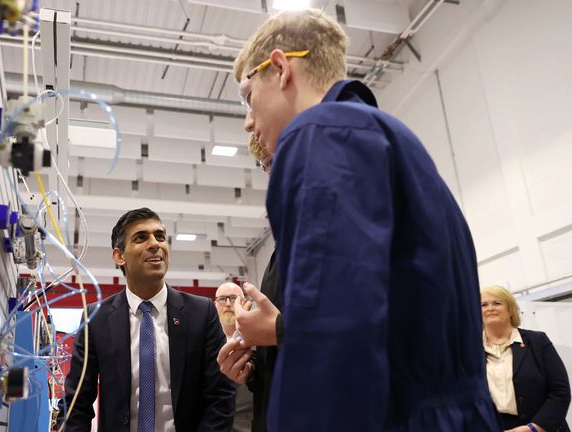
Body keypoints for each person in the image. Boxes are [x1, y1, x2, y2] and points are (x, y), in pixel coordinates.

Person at [229, 8, 501, 431]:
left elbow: (334, 335)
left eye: (248, 97)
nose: (249, 120)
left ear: (280, 68)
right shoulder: (392, 139)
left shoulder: (318, 134)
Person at [61, 207, 235, 432]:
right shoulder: (96, 319)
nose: (155, 244)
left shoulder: (201, 313)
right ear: (119, 256)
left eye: (160, 236)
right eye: (141, 238)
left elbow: (221, 396)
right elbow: (76, 404)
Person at [217, 136, 282, 432]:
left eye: (271, 160)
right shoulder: (280, 253)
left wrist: (279, 331)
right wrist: (254, 372)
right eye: (265, 164)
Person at [481, 285, 571, 432]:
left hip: (541, 427)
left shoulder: (537, 341)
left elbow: (559, 391)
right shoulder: (471, 351)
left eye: (497, 303)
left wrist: (534, 428)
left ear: (510, 309)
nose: (490, 308)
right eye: (483, 305)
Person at [214, 282, 255, 432]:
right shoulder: (206, 339)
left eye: (233, 298)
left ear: (244, 303)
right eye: (222, 299)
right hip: (216, 423)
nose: (228, 304)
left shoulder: (259, 337)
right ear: (215, 304)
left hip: (249, 422)